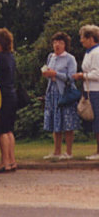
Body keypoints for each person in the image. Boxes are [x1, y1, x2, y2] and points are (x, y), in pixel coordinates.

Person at [41, 31, 79, 159]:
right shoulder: (51, 57)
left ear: (65, 45)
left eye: (61, 43)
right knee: (55, 121)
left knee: (67, 122)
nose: (57, 45)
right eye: (55, 42)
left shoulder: (70, 59)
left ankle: (69, 152)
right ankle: (56, 151)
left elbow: (71, 78)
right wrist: (47, 75)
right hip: (52, 91)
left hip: (65, 93)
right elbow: (49, 73)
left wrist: (55, 74)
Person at [0, 27, 18, 172]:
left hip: (1, 94)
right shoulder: (10, 56)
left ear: (0, 42)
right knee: (9, 130)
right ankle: (12, 160)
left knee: (2, 131)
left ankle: (4, 162)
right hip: (11, 94)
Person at [72, 24, 99, 160]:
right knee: (95, 121)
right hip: (89, 90)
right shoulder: (89, 53)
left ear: (90, 38)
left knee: (98, 121)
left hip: (96, 91)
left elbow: (98, 74)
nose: (81, 40)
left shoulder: (97, 53)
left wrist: (82, 76)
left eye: (83, 37)